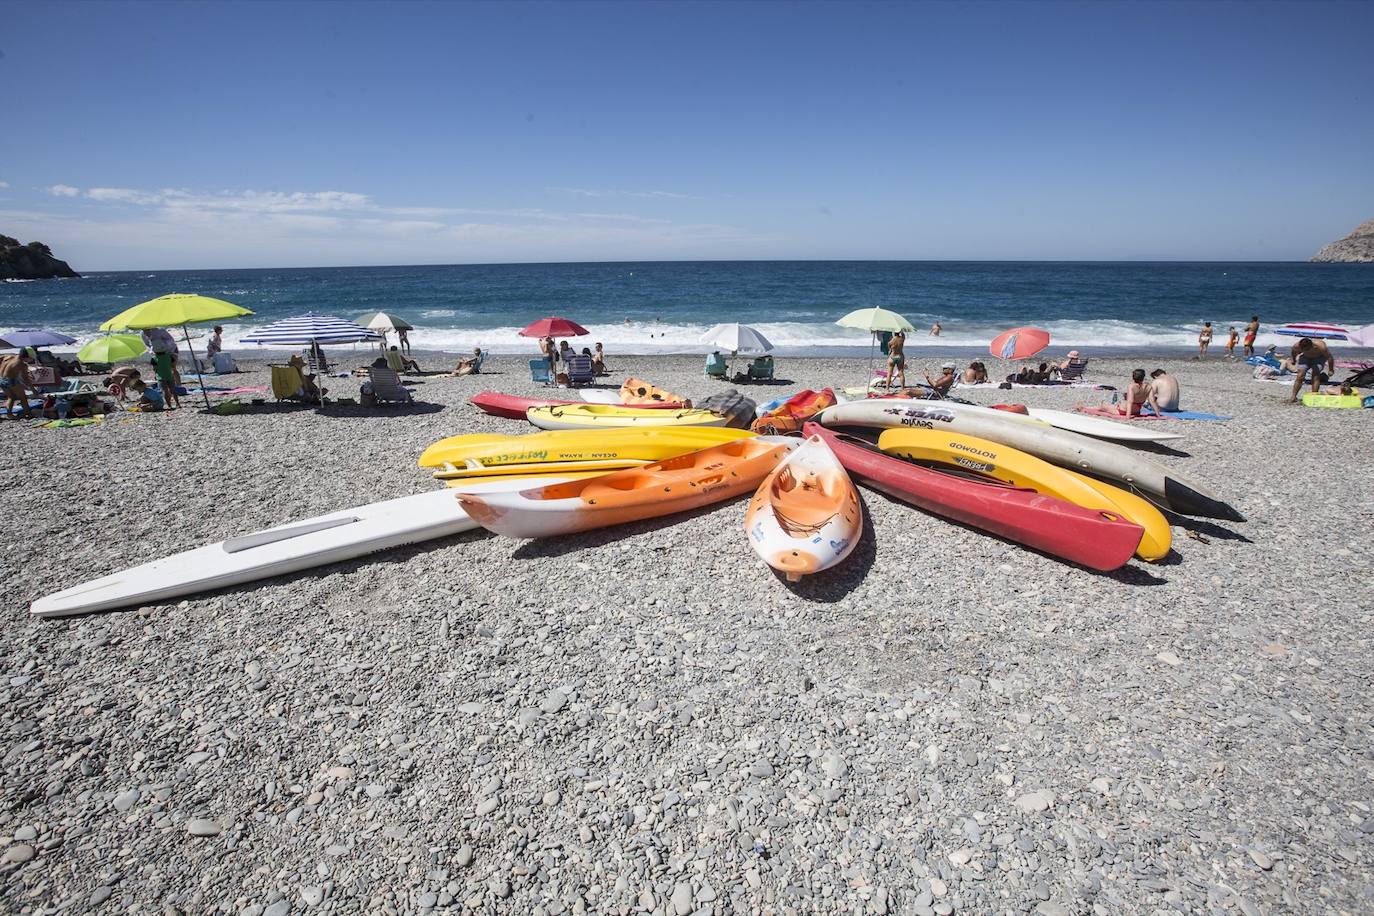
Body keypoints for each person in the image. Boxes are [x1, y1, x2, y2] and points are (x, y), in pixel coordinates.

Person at [1288, 337, 1334, 403]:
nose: (1306, 350)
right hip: (1305, 358)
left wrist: (1331, 369)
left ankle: (1314, 396)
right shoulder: (1297, 346)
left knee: (1315, 374)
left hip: (1319, 358)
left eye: (1307, 349)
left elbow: (1329, 357)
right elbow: (1294, 352)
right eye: (1304, 349)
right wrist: (1294, 360)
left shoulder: (1320, 346)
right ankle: (1293, 397)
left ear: (1312, 346)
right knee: (1300, 375)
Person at [2, 352, 36, 419]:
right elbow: (25, 379)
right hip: (11, 380)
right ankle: (28, 413)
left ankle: (9, 414)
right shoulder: (21, 364)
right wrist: (33, 390)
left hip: (2, 379)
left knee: (11, 397)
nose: (31, 360)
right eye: (30, 358)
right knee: (23, 397)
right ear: (26, 357)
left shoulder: (10, 357)